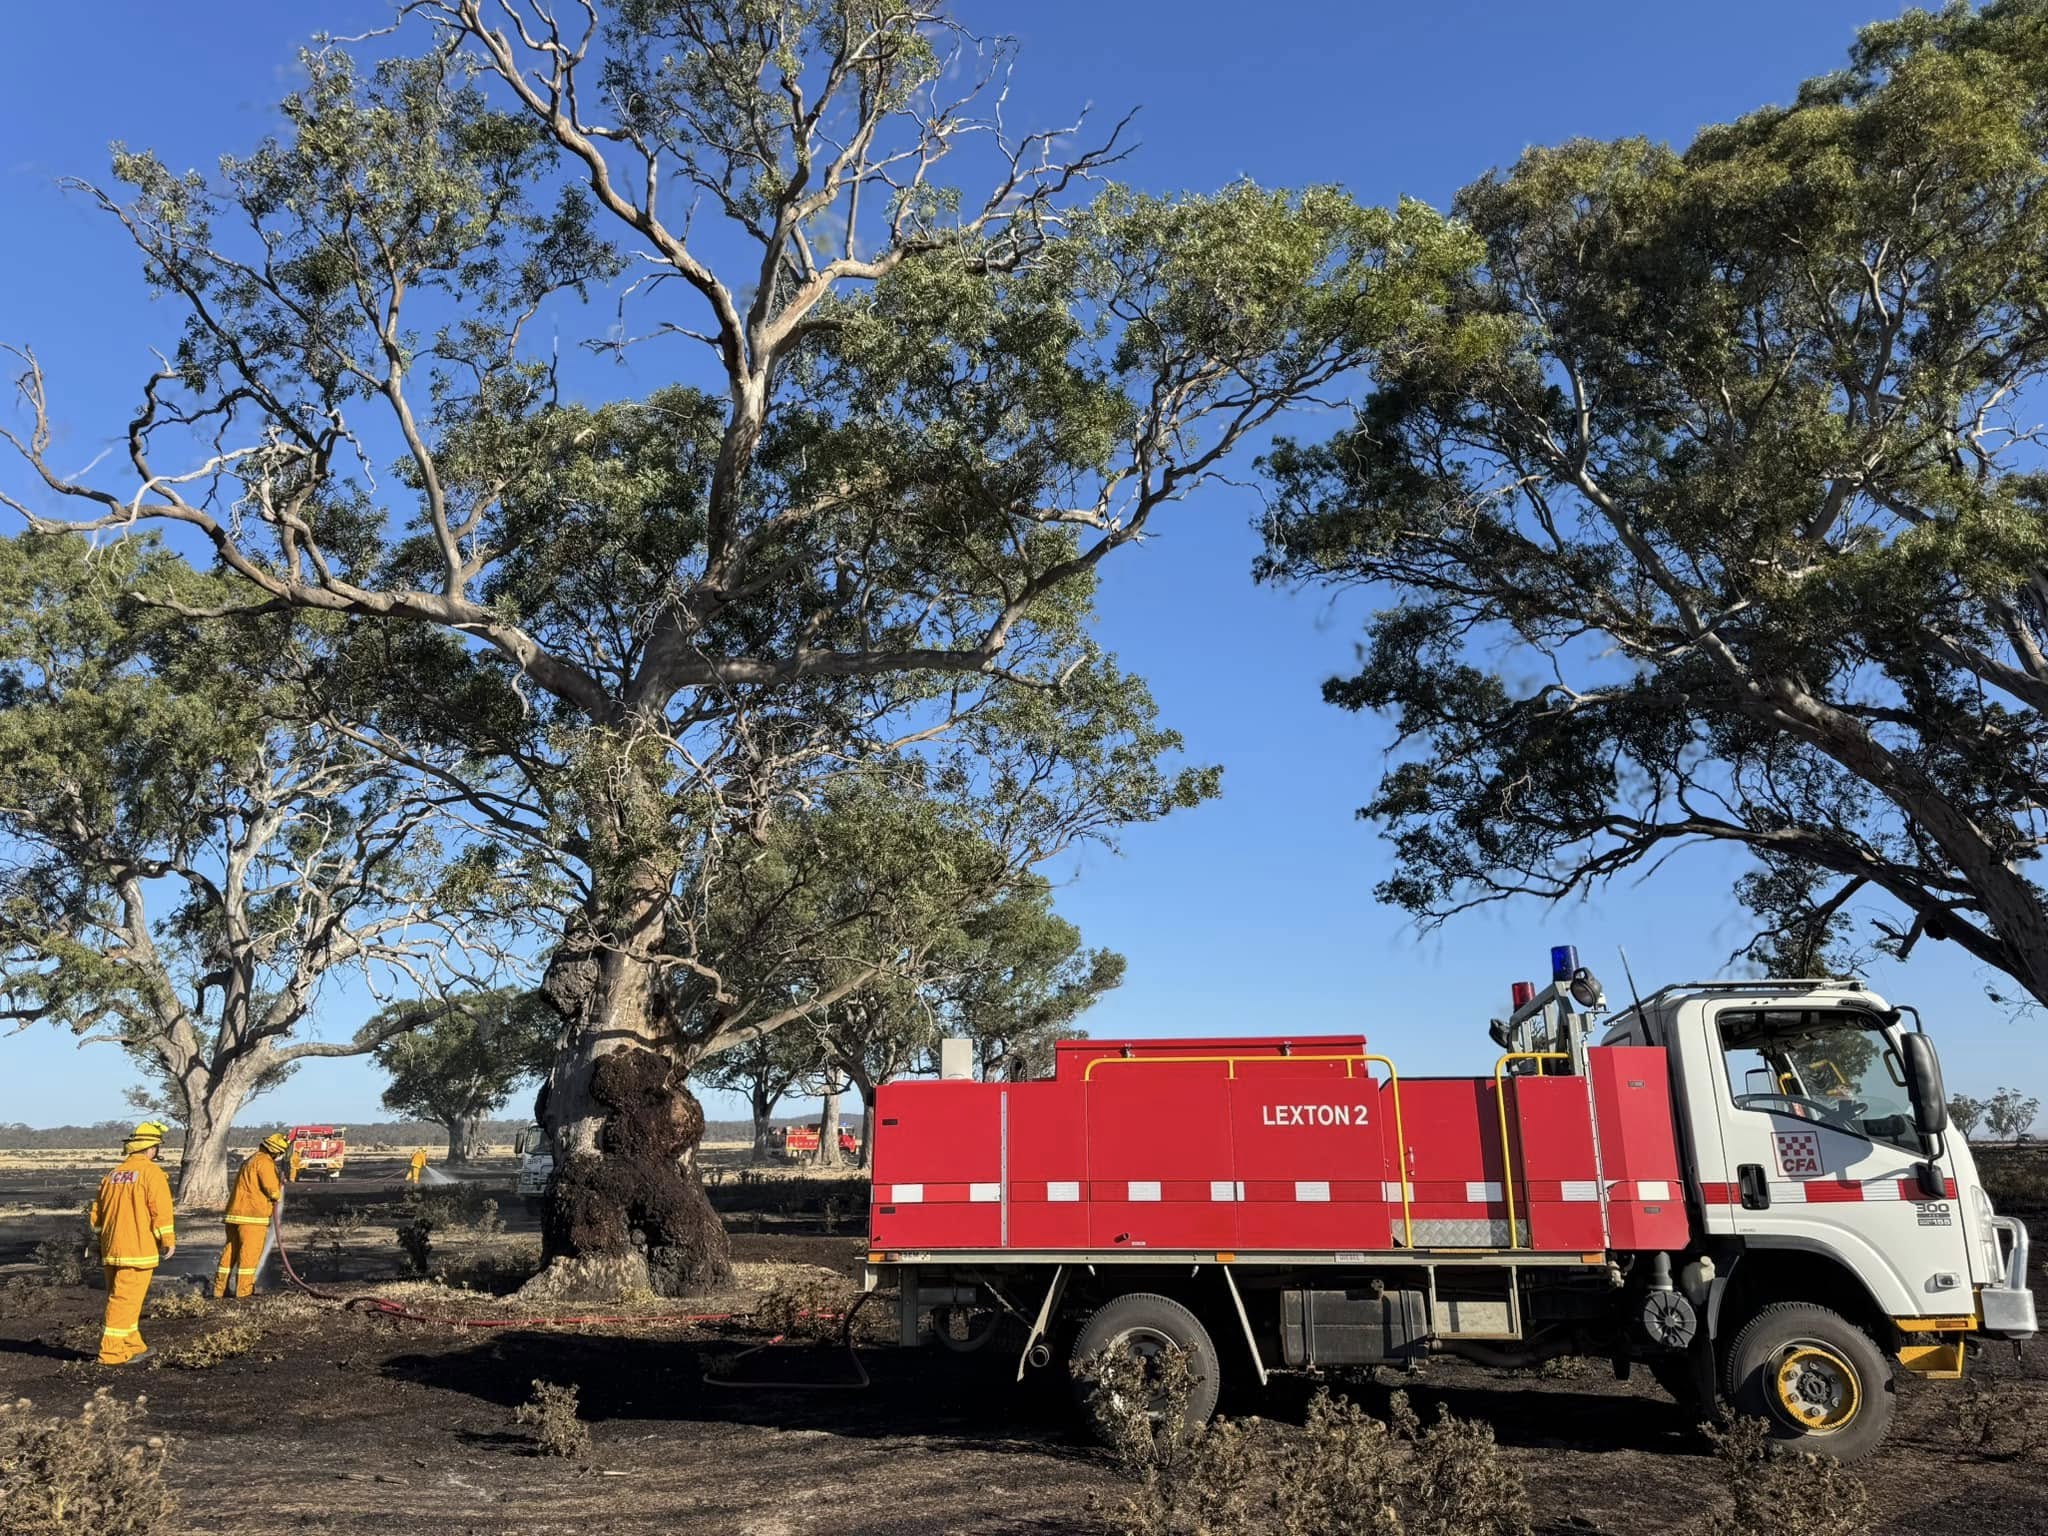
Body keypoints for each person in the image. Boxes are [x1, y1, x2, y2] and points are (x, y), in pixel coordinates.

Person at [88, 1121, 176, 1365]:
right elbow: (160, 1211)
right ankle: (111, 1353)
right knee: (124, 1301)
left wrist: (100, 1241)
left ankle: (132, 1345)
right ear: (151, 1148)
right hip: (137, 1250)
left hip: (111, 1249)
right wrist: (167, 1239)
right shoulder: (152, 1173)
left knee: (123, 1300)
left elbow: (96, 1215)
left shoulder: (112, 1175)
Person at [213, 1132, 286, 1298]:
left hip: (234, 1214)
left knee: (230, 1252)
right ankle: (244, 1292)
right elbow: (272, 1191)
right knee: (249, 1255)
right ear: (276, 1151)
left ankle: (219, 1289)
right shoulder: (265, 1162)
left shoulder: (250, 1160)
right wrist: (279, 1188)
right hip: (252, 1217)